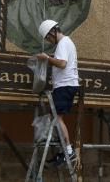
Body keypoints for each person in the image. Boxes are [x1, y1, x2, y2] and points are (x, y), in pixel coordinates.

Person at [37, 19, 79, 165]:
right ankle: (64, 151)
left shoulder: (63, 43)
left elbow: (62, 63)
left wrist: (47, 58)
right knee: (56, 117)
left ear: (53, 32)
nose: (49, 40)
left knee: (57, 118)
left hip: (64, 86)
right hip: (65, 86)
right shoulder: (65, 43)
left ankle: (68, 151)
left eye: (48, 37)